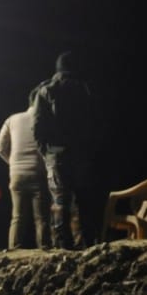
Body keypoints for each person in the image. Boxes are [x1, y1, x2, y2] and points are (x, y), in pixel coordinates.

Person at [27, 51, 105, 248]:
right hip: (82, 154)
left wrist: (46, 152)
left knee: (60, 201)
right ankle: (88, 242)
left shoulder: (46, 90)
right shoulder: (85, 89)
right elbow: (96, 122)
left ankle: (63, 245)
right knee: (84, 200)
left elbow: (37, 126)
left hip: (56, 154)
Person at [0, 108, 52, 249]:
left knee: (18, 217)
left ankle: (14, 248)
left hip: (17, 175)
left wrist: (12, 163)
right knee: (41, 218)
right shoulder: (44, 120)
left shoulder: (12, 119)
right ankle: (44, 248)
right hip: (38, 173)